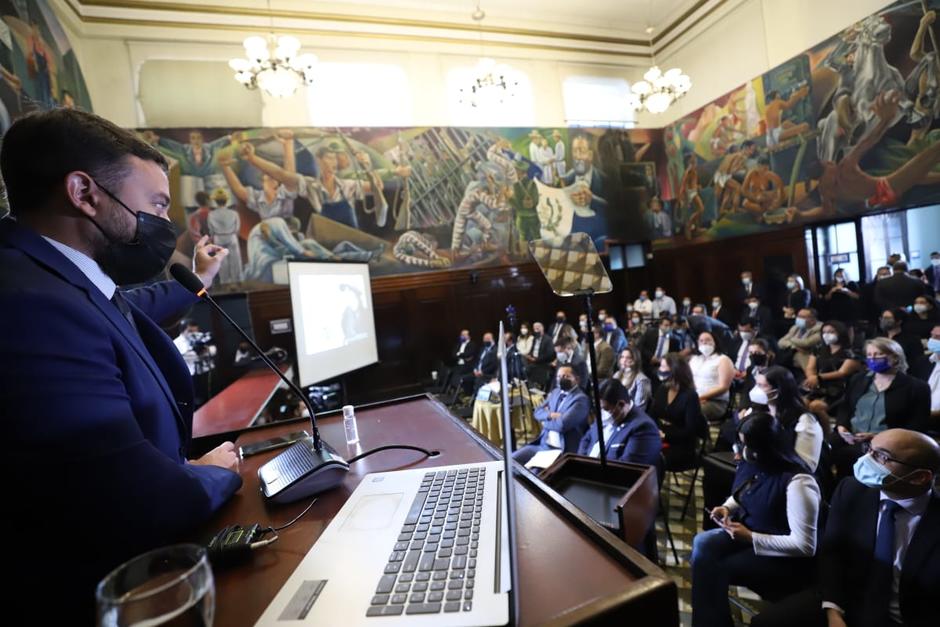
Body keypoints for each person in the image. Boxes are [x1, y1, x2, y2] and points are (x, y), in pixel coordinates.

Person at [0, 108, 242, 620]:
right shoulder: (29, 302)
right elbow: (139, 500)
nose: (164, 223)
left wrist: (201, 279)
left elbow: (128, 310)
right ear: (84, 193)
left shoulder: (51, 274)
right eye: (155, 204)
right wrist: (211, 472)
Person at [751, 429, 940, 627]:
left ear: (919, 477)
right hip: (848, 600)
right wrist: (833, 611)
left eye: (881, 456)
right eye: (869, 449)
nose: (866, 460)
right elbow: (832, 554)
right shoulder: (851, 490)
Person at [691, 412, 820, 627]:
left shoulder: (799, 483)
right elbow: (744, 492)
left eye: (744, 446)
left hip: (782, 555)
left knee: (712, 567)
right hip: (750, 534)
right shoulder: (754, 464)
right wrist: (726, 507)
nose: (739, 453)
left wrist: (751, 537)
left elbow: (805, 546)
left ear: (763, 448)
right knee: (701, 543)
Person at [831, 338, 932, 478]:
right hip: (851, 435)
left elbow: (917, 425)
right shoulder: (858, 379)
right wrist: (841, 427)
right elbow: (845, 406)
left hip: (887, 441)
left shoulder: (916, 387)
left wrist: (877, 436)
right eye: (869, 355)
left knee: (849, 455)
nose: (873, 359)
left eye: (878, 355)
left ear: (895, 357)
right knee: (823, 448)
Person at [747, 367, 826, 473]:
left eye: (761, 386)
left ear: (778, 390)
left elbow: (806, 465)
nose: (756, 389)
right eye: (756, 384)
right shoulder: (756, 410)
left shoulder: (805, 421)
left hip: (787, 477)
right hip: (760, 470)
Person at [513, 365, 590, 465]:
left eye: (566, 376)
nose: (562, 379)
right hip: (543, 445)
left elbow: (562, 425)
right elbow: (537, 412)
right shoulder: (555, 392)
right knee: (510, 460)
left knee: (534, 473)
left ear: (577, 379)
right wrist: (551, 415)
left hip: (561, 451)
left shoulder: (581, 399)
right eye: (559, 376)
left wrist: (545, 423)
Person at [577, 378, 661, 465]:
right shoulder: (605, 416)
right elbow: (586, 439)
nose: (602, 414)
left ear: (621, 404)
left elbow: (626, 468)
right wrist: (583, 463)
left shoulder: (643, 428)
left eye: (606, 409)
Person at [802, 320, 863, 426]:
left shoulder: (852, 352)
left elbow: (842, 372)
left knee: (816, 406)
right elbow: (810, 367)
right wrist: (811, 378)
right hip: (819, 386)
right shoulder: (818, 348)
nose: (827, 335)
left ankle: (827, 433)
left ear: (840, 332)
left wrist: (818, 377)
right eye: (824, 332)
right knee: (803, 403)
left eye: (831, 332)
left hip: (840, 389)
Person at [651, 353, 707, 469]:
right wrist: (656, 431)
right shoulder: (662, 388)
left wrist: (665, 436)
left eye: (663, 367)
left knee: (651, 458)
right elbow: (652, 414)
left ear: (675, 370)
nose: (659, 370)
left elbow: (690, 431)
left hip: (681, 445)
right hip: (660, 436)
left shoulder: (690, 396)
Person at [689, 331, 735, 422]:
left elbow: (723, 387)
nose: (704, 343)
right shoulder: (694, 359)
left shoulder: (723, 359)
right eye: (701, 341)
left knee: (690, 412)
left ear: (715, 342)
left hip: (715, 402)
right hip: (694, 399)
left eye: (708, 340)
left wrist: (701, 398)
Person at [910, 324, 940, 429]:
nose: (932, 340)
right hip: (919, 423)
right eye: (932, 336)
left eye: (938, 337)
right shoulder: (923, 362)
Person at [777, 308, 823, 376]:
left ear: (813, 319)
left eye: (803, 317)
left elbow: (806, 343)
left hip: (810, 356)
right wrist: (794, 346)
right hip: (792, 353)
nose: (799, 319)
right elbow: (780, 342)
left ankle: (812, 379)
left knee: (800, 355)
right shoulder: (795, 327)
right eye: (798, 316)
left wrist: (791, 339)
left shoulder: (821, 329)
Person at [612, 346, 652, 411]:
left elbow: (639, 408)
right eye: (622, 357)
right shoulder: (617, 374)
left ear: (635, 360)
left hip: (630, 415)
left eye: (628, 358)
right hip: (615, 410)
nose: (624, 360)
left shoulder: (642, 380)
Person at [525, 321, 556, 387]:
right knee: (525, 368)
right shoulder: (534, 339)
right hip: (533, 361)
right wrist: (529, 355)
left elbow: (549, 354)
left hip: (543, 363)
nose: (536, 330)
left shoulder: (548, 339)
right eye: (534, 329)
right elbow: (532, 350)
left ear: (542, 328)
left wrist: (536, 360)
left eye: (537, 328)